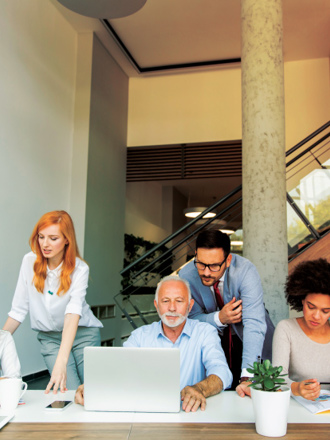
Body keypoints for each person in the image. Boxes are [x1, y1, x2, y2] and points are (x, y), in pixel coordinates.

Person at [75, 275, 232, 412]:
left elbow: (222, 372)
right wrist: (93, 386)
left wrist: (199, 389)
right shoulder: (140, 336)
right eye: (165, 301)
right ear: (156, 305)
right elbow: (118, 368)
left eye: (179, 301)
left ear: (190, 306)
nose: (172, 308)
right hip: (147, 415)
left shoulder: (205, 332)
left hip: (192, 413)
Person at [3, 210, 102, 393]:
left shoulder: (80, 269)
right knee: (68, 393)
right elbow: (18, 310)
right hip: (50, 338)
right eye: (41, 237)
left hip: (83, 334)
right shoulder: (29, 262)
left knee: (91, 391)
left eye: (53, 238)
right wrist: (1, 342)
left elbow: (73, 313)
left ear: (66, 240)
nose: (45, 244)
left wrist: (61, 361)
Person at [179, 229, 274, 389]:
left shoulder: (246, 271)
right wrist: (219, 318)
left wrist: (248, 376)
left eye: (214, 266)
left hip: (251, 343)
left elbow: (254, 323)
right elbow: (191, 320)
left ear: (228, 260)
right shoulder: (186, 275)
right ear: (196, 255)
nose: (206, 272)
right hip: (214, 344)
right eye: (201, 264)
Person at [236, 258, 330, 399]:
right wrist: (297, 388)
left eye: (325, 311)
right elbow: (277, 379)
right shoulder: (286, 329)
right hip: (294, 407)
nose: (316, 316)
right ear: (302, 299)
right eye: (311, 307)